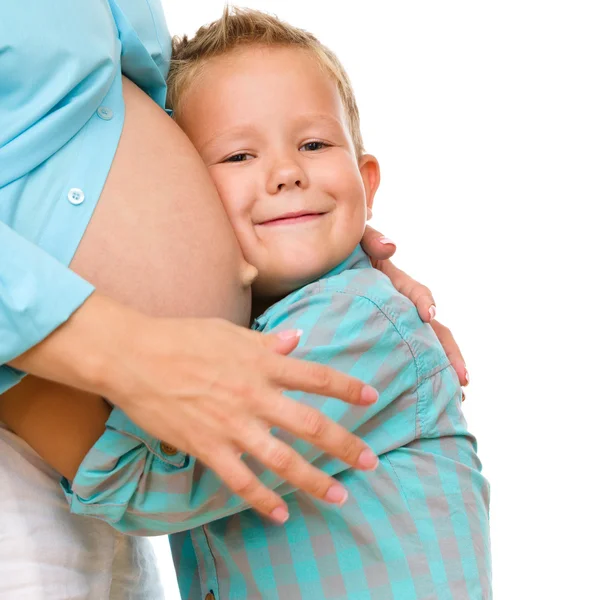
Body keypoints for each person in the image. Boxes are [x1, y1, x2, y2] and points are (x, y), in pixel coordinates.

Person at [3, 8, 491, 599]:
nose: (287, 172)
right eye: (238, 156)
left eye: (313, 144)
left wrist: (17, 366)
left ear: (368, 180)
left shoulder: (358, 321)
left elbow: (160, 482)